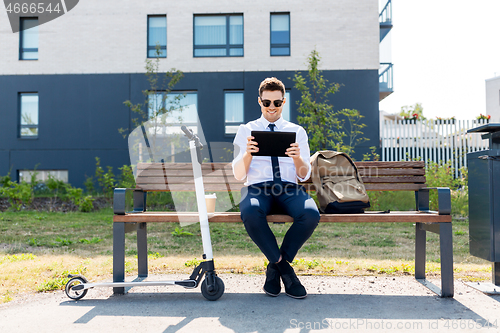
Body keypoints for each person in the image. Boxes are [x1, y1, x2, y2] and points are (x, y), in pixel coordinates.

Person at [232, 77, 320, 299]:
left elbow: (304, 174)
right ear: (259, 101)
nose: (272, 108)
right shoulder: (246, 130)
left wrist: (298, 158)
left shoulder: (297, 131)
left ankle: (274, 268)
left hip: (289, 188)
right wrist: (248, 154)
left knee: (310, 213)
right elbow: (238, 174)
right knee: (250, 211)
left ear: (284, 102)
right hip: (257, 188)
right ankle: (284, 268)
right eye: (267, 102)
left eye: (277, 103)